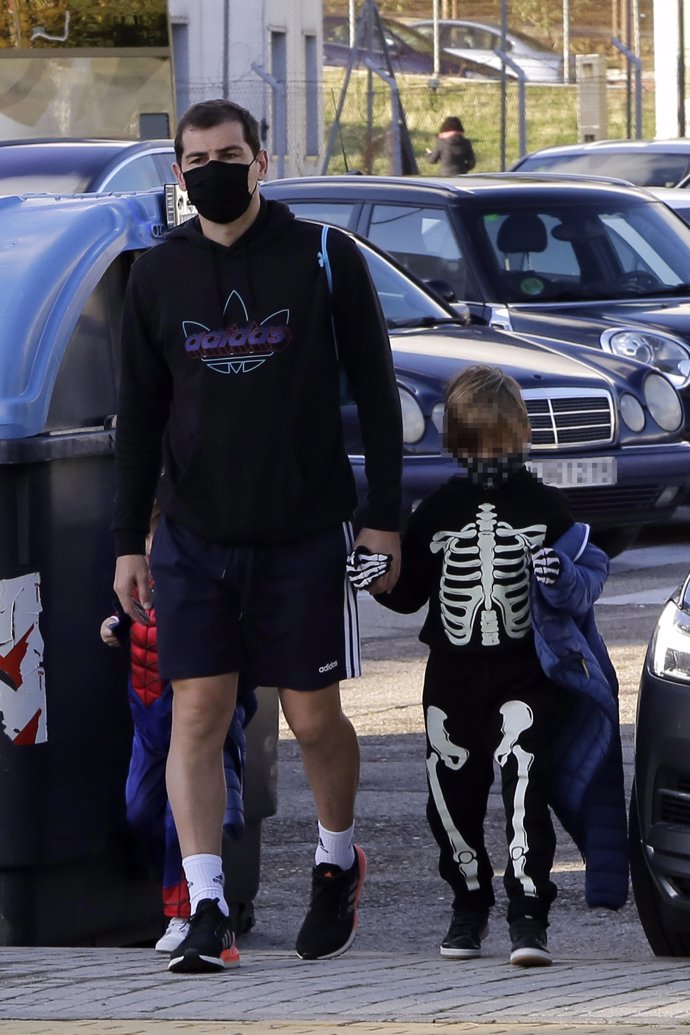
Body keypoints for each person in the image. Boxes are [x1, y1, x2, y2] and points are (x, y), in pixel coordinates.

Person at [112, 98, 402, 974]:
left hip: (305, 532)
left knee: (313, 720)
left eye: (229, 153)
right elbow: (140, 417)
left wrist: (384, 519)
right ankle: (205, 907)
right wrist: (129, 540)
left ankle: (336, 857)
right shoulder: (156, 274)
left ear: (261, 161)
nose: (214, 169)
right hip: (195, 537)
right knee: (196, 712)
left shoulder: (324, 255)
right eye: (197, 158)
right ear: (178, 172)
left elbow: (380, 393)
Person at [372, 365, 627, 967]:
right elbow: (408, 592)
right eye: (483, 444)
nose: (495, 455)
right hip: (453, 674)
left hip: (525, 674)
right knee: (449, 794)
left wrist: (561, 577)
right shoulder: (438, 508)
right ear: (460, 444)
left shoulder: (547, 505)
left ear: (523, 438)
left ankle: (528, 914)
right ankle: (469, 903)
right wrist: (377, 578)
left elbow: (586, 580)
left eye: (506, 443)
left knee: (524, 788)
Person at [101, 503, 256, 958]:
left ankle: (187, 910)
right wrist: (116, 625)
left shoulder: (199, 586)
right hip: (147, 726)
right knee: (139, 811)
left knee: (179, 819)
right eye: (148, 541)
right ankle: (185, 900)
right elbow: (126, 620)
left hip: (189, 723)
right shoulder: (141, 580)